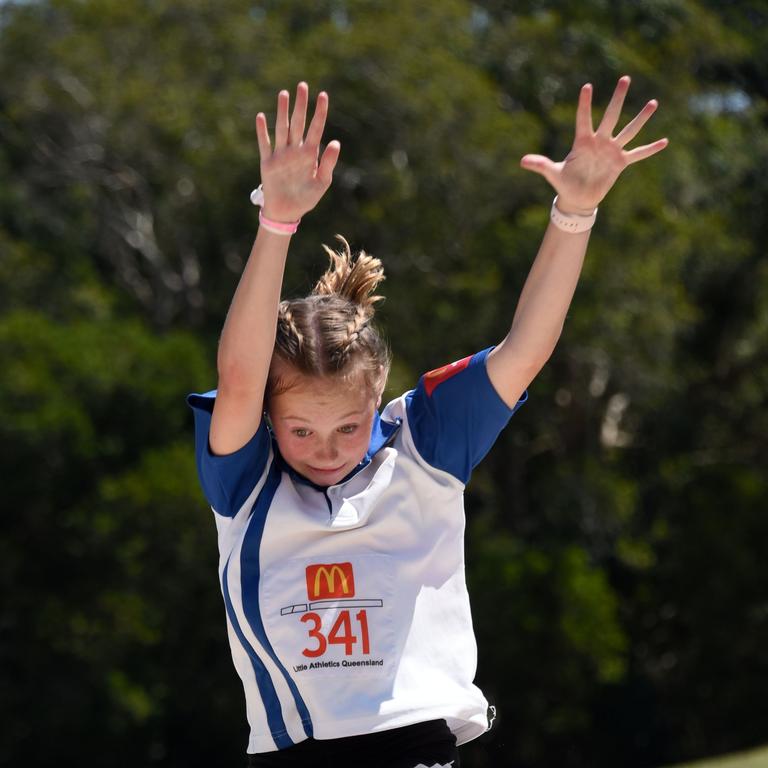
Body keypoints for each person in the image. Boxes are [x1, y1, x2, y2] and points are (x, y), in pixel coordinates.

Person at [187, 77, 667, 768]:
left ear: (378, 393)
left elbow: (525, 352)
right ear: (269, 416)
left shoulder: (425, 444)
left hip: (413, 739)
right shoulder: (244, 479)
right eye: (300, 431)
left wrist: (575, 211)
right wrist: (276, 223)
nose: (326, 449)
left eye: (348, 428)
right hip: (297, 749)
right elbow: (239, 377)